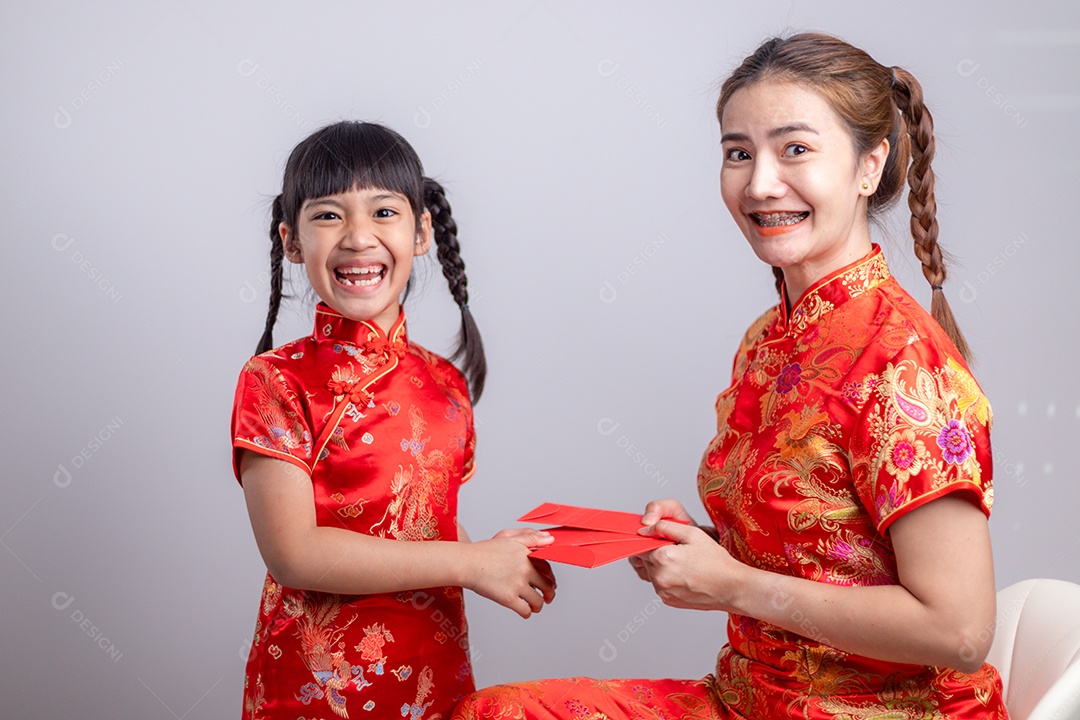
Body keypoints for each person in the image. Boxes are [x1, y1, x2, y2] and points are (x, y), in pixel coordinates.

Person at [453, 32, 1006, 719]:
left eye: (795, 149)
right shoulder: (769, 339)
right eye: (738, 153)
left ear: (870, 166)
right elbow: (824, 554)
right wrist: (702, 551)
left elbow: (957, 632)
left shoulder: (901, 365)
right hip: (754, 698)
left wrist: (734, 585)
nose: (760, 183)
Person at [230, 121, 556, 719]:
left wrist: (495, 552)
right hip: (313, 691)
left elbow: (424, 526)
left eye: (384, 212)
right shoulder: (275, 381)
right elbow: (293, 553)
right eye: (328, 216)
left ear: (423, 230)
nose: (359, 237)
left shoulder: (446, 383)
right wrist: (471, 563)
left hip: (434, 676)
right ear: (291, 240)